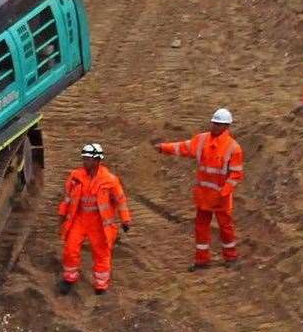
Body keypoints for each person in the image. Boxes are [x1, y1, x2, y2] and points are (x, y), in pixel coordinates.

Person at [153, 106, 244, 268]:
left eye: (218, 124)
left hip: (221, 198)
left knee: (226, 228)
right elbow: (182, 147)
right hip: (204, 195)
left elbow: (236, 175)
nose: (214, 126)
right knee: (201, 227)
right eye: (213, 123)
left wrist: (224, 192)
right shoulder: (202, 140)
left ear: (226, 127)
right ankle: (202, 260)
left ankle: (231, 257)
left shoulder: (233, 148)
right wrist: (163, 148)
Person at [58, 142, 132, 294]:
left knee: (102, 252)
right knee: (70, 249)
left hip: (98, 223)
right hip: (79, 219)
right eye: (83, 158)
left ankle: (101, 284)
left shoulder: (110, 180)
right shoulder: (75, 176)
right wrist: (62, 215)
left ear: (97, 161)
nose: (84, 162)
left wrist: (125, 219)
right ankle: (69, 278)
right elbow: (67, 198)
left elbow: (120, 200)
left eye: (88, 159)